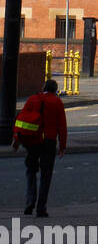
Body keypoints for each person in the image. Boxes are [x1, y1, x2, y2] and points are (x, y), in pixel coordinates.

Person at [13, 78, 68, 216]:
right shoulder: (57, 102)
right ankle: (41, 208)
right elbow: (62, 127)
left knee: (30, 171)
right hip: (48, 143)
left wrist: (16, 139)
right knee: (46, 175)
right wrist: (62, 146)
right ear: (55, 90)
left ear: (43, 87)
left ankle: (30, 202)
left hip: (32, 141)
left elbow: (21, 120)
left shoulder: (33, 99)